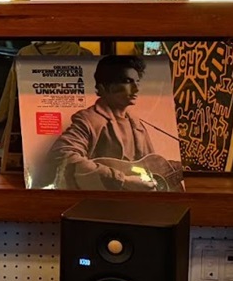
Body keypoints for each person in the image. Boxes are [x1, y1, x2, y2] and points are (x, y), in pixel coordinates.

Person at [45, 55, 158, 190]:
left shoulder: (137, 124)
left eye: (137, 82)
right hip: (98, 199)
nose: (136, 89)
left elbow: (152, 165)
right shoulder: (88, 119)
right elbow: (62, 154)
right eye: (127, 81)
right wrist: (123, 180)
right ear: (103, 87)